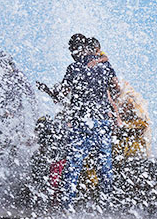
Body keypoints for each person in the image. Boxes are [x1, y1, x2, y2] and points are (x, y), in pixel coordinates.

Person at [38, 34, 122, 207]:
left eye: (72, 51)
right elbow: (117, 88)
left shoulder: (74, 68)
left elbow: (60, 96)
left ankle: (66, 207)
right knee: (105, 166)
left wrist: (47, 90)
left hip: (82, 122)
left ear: (78, 50)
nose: (71, 54)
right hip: (102, 122)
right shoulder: (105, 65)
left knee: (73, 166)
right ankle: (108, 206)